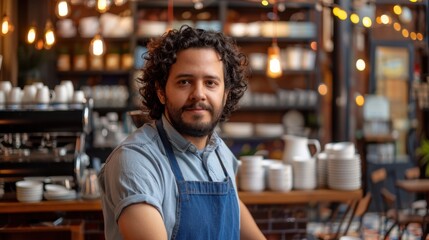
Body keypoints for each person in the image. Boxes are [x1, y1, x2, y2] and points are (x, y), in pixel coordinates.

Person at [98, 25, 266, 240]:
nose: (199, 94)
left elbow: (233, 209)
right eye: (185, 82)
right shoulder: (136, 159)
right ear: (161, 91)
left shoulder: (220, 152)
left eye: (210, 83)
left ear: (225, 94)